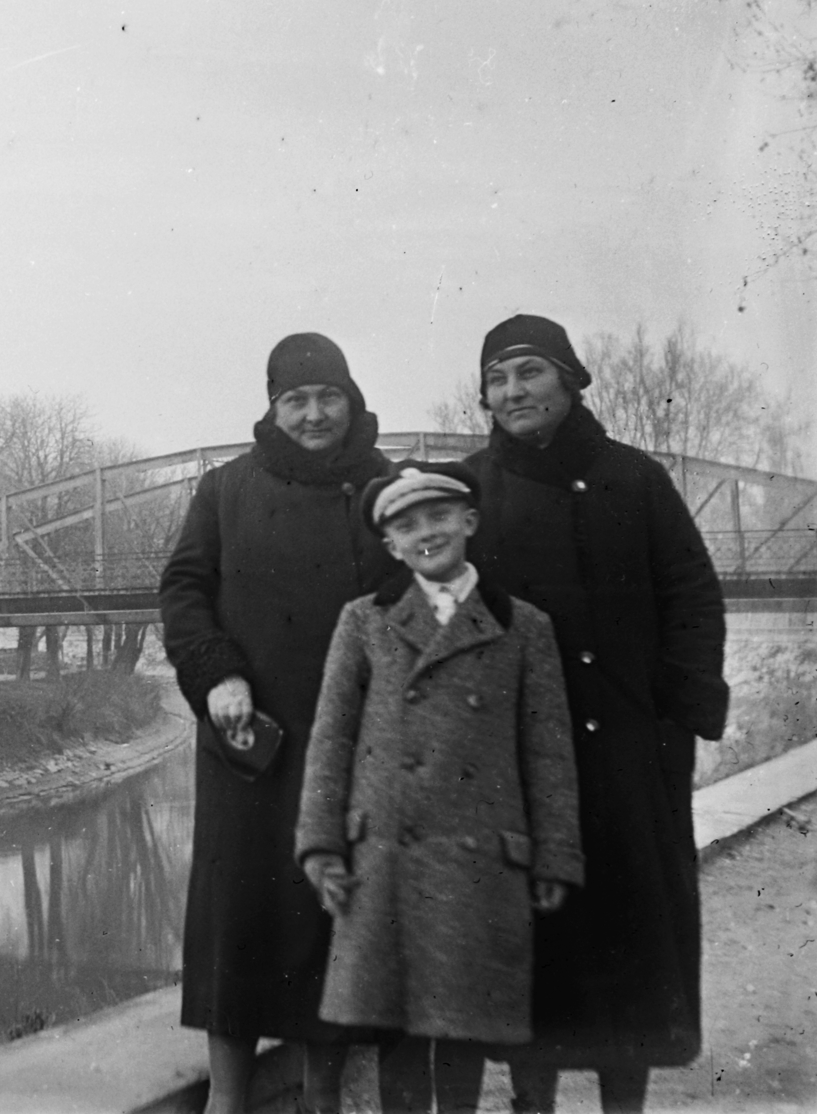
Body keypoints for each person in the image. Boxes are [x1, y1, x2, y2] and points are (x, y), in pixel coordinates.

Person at [461, 314, 729, 1114]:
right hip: (520, 761)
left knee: (633, 939)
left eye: (530, 372)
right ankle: (532, 1105)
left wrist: (674, 721)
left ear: (572, 379)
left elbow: (692, 596)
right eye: (498, 379)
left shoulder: (635, 480)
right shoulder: (472, 487)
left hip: (627, 752)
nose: (514, 392)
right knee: (532, 951)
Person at [294, 461, 585, 1114]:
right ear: (391, 545)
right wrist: (320, 845)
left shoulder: (524, 626)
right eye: (406, 525)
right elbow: (331, 738)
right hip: (385, 860)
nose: (426, 532)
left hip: (482, 864)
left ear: (469, 522)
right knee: (396, 1026)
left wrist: (556, 853)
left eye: (439, 516)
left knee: (464, 1026)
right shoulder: (364, 621)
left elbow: (548, 748)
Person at [159, 333, 396, 1114]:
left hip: (353, 747)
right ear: (271, 406)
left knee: (330, 931)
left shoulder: (386, 486)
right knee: (237, 933)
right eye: (295, 399)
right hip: (249, 745)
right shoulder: (224, 490)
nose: (315, 414)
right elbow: (185, 590)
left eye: (329, 396)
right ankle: (228, 1103)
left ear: (352, 397)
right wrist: (214, 671)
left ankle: (320, 1100)